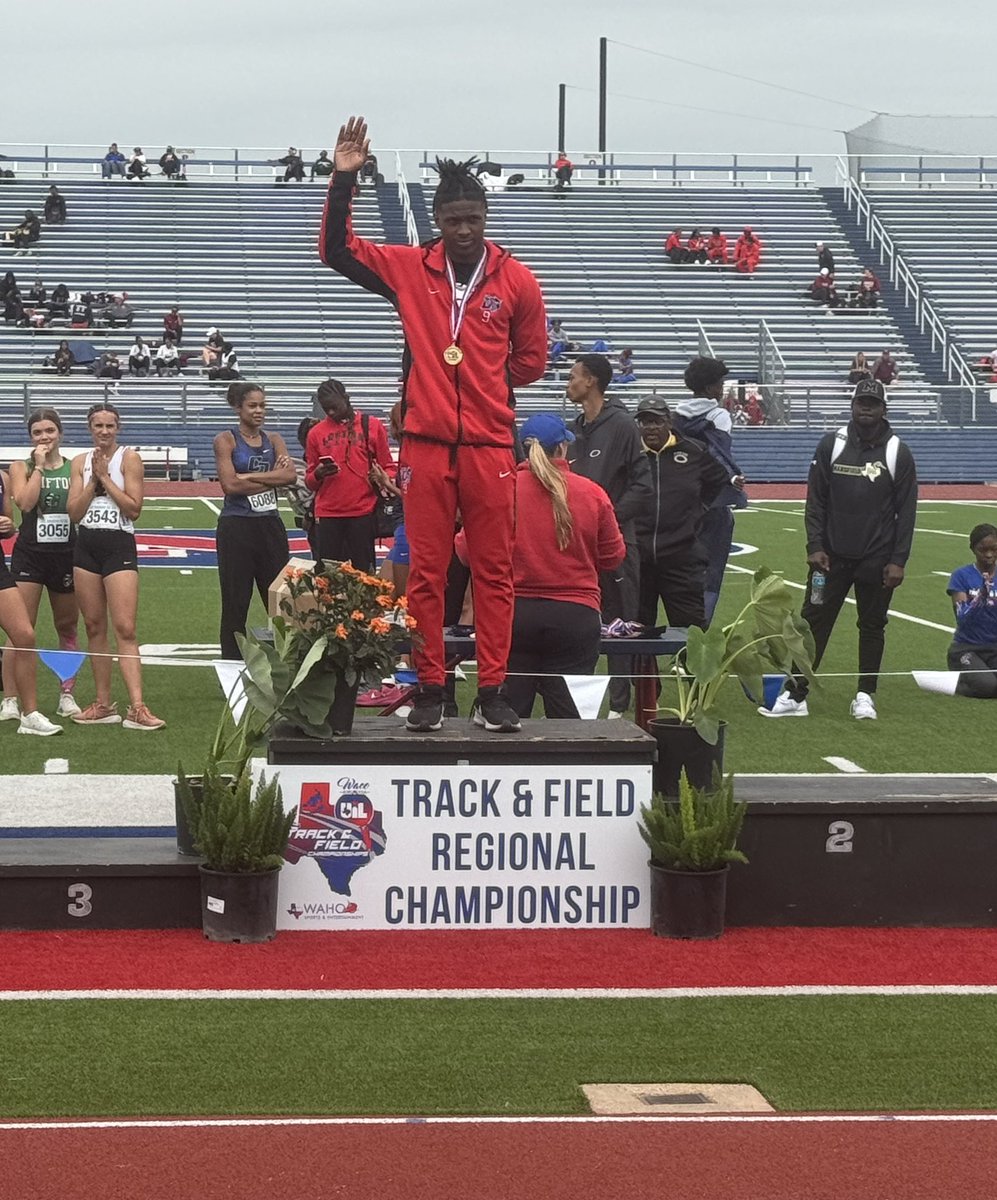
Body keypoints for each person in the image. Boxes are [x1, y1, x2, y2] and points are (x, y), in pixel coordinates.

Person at [320, 115, 547, 734]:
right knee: (425, 571)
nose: (465, 230)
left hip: (488, 445)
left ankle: (493, 691)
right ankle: (429, 690)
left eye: (474, 219)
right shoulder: (408, 269)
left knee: (495, 571)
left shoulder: (518, 280)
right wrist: (345, 180)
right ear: (438, 222)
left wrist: (480, 385)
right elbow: (337, 251)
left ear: (485, 218)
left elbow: (531, 360)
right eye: (453, 221)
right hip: (423, 444)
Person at [762, 379, 917, 722]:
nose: (866, 408)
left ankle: (865, 695)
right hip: (827, 560)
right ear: (852, 406)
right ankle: (796, 694)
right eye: (861, 402)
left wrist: (897, 560)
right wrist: (815, 545)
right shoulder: (832, 444)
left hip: (876, 562)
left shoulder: (897, 452)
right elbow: (815, 499)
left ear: (883, 409)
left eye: (873, 403)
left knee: (873, 625)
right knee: (813, 621)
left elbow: (906, 512)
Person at [473, 412, 625, 720]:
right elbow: (614, 557)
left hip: (512, 612)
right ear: (562, 449)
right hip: (575, 615)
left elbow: (466, 549)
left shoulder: (502, 490)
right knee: (570, 724)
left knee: (506, 718)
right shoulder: (591, 492)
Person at [67, 403, 166, 729]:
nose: (104, 431)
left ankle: (137, 706)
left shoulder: (130, 459)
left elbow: (133, 508)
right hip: (87, 547)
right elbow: (74, 513)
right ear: (90, 427)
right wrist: (93, 481)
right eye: (98, 425)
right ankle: (103, 703)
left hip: (118, 545)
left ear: (118, 428)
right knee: (94, 627)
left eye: (110, 426)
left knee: (125, 627)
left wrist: (105, 479)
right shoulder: (79, 462)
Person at [566, 353, 653, 717]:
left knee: (618, 625)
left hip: (616, 544)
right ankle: (576, 704)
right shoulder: (576, 427)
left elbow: (643, 485)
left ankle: (619, 706)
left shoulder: (622, 426)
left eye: (573, 376)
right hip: (575, 547)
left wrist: (605, 520)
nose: (568, 383)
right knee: (577, 623)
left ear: (592, 382)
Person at [3, 408, 83, 722]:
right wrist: (39, 467)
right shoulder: (20, 467)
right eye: (37, 432)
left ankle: (67, 693)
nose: (44, 437)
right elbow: (23, 503)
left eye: (49, 431)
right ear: (31, 437)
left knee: (67, 627)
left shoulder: (73, 467)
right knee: (19, 629)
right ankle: (9, 698)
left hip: (66, 554)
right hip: (30, 555)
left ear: (59, 433)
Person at [213, 382, 295, 661]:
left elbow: (289, 477)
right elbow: (230, 486)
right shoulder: (226, 440)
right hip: (237, 527)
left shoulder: (274, 440)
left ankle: (286, 661)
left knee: (281, 600)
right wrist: (270, 479)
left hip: (270, 526)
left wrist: (247, 477)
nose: (259, 411)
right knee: (236, 602)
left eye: (262, 405)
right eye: (253, 405)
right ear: (239, 408)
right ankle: (232, 664)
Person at [634, 396, 731, 631]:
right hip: (638, 559)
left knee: (690, 631)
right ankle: (641, 670)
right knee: (634, 631)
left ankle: (687, 669)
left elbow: (719, 479)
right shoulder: (631, 454)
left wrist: (699, 509)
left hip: (682, 557)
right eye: (645, 422)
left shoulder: (693, 451)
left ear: (668, 422)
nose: (651, 428)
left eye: (656, 421)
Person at [671, 357, 747, 623]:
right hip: (712, 503)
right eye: (720, 383)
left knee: (679, 570)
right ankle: (699, 633)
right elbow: (719, 454)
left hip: (681, 502)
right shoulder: (718, 416)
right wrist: (732, 478)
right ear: (712, 387)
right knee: (711, 571)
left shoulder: (675, 416)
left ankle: (678, 628)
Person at [304, 378, 394, 573]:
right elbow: (310, 481)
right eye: (326, 408)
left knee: (364, 577)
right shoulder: (316, 433)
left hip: (362, 513)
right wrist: (319, 474)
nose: (330, 413)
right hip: (328, 515)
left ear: (346, 398)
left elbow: (388, 466)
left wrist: (381, 477)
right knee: (327, 580)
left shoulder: (372, 425)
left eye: (334, 407)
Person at [0, 467, 64, 735]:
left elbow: (9, 525)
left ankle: (30, 714)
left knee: (24, 634)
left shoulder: (1, 477)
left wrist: (7, 527)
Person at [944, 524, 997, 699]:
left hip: (994, 648)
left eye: (994, 549)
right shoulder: (961, 576)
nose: (989, 555)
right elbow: (962, 619)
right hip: (967, 649)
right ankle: (952, 682)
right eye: (983, 550)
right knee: (988, 687)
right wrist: (979, 599)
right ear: (973, 549)